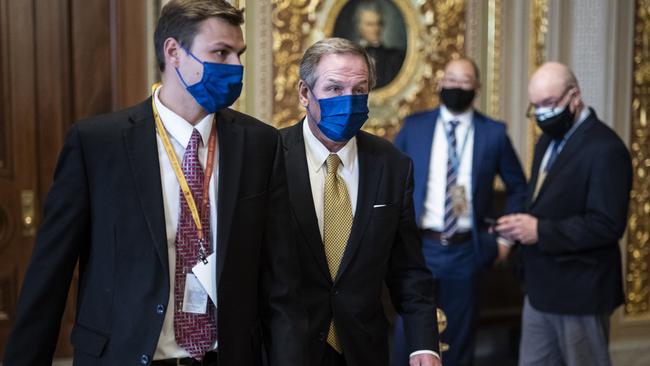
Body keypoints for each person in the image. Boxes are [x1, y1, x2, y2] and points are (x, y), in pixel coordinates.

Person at [3, 1, 305, 365]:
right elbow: (49, 278)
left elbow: (282, 283)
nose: (236, 67)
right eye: (220, 53)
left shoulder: (259, 144)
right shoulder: (98, 144)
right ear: (174, 52)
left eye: (239, 54)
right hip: (124, 355)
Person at [280, 37, 441, 366]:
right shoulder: (269, 158)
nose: (348, 101)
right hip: (286, 349)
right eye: (335, 89)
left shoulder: (393, 166)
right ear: (304, 93)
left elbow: (408, 268)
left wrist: (424, 344)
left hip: (364, 349)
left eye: (359, 90)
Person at [496, 61, 632, 366]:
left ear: (575, 96)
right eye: (535, 106)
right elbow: (542, 201)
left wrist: (539, 231)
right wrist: (519, 226)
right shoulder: (546, 141)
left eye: (549, 103)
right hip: (540, 287)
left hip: (580, 291)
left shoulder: (606, 148)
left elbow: (607, 225)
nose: (542, 113)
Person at [393, 58, 527, 366]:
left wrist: (506, 240)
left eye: (465, 81)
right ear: (440, 83)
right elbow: (390, 179)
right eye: (450, 79)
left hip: (467, 252)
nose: (456, 86)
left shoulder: (493, 133)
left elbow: (519, 187)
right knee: (407, 339)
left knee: (458, 343)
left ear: (477, 88)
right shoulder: (415, 127)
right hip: (418, 250)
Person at [354, 1, 404, 88]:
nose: (375, 29)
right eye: (370, 24)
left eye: (378, 24)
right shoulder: (350, 56)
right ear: (359, 27)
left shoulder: (395, 58)